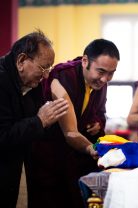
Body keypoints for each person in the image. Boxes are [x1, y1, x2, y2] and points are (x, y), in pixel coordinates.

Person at [26, 39, 120, 208]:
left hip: (77, 159)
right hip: (50, 159)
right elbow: (70, 133)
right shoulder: (61, 77)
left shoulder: (99, 82)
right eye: (101, 71)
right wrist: (92, 148)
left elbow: (100, 113)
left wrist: (98, 123)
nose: (105, 79)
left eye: (111, 73)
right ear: (85, 61)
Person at [0, 31, 69, 207]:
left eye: (49, 69)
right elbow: (3, 135)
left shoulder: (31, 82)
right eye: (43, 68)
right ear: (22, 61)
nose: (46, 76)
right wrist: (40, 121)